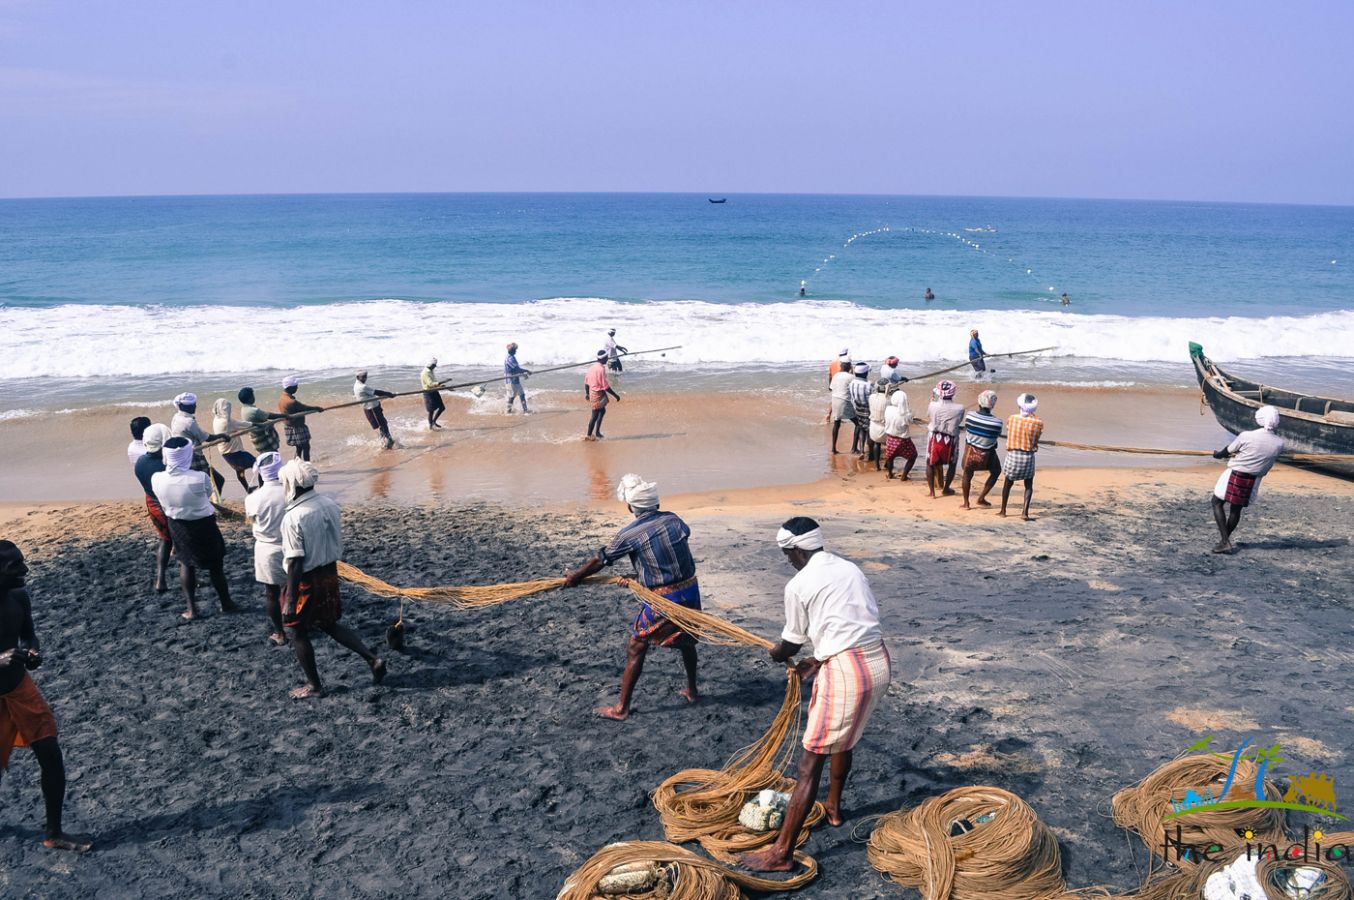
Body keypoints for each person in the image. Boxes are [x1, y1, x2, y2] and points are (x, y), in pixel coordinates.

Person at [739, 518, 891, 871]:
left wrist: (777, 653)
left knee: (809, 763)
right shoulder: (849, 568)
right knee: (844, 739)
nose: (787, 561)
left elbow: (790, 641)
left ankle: (781, 854)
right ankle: (834, 808)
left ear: (795, 549)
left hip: (846, 674)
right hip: (877, 662)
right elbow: (851, 623)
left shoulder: (798, 584)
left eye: (786, 554)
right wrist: (820, 657)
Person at [563, 474, 700, 721]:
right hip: (690, 590)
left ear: (629, 507)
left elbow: (601, 559)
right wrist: (640, 575)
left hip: (665, 598)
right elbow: (670, 555)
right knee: (686, 641)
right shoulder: (675, 520)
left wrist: (576, 576)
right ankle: (692, 689)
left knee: (637, 645)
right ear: (656, 504)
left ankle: (621, 709)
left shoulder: (629, 534)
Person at [0, 542, 92, 852]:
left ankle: (54, 833)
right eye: (15, 566)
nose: (24, 570)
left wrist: (33, 650)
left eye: (22, 562)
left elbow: (28, 634)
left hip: (20, 689)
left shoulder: (18, 597)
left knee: (51, 756)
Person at [278, 460, 385, 699]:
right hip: (330, 574)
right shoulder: (329, 504)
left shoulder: (293, 517)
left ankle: (314, 686)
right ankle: (372, 659)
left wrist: (290, 601)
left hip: (307, 579)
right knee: (328, 624)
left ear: (292, 485)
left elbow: (295, 562)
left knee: (296, 632)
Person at [152, 437, 237, 620]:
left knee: (186, 563)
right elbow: (208, 494)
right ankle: (226, 603)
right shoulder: (199, 478)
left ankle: (191, 609)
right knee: (216, 566)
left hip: (177, 524)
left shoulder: (157, 478)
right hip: (204, 523)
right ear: (187, 455)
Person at [1210, 406, 1285, 555]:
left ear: (1260, 419)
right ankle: (1224, 541)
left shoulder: (1247, 436)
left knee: (1216, 502)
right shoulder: (1279, 443)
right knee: (1235, 510)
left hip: (1235, 474)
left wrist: (1217, 455)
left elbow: (1229, 450)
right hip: (1253, 479)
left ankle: (1225, 541)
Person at [245, 452, 288, 645]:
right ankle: (302, 623)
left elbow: (251, 520)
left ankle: (279, 633)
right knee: (295, 587)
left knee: (271, 592)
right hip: (293, 545)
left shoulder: (254, 498)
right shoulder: (292, 491)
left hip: (267, 549)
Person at [133, 423, 174, 593]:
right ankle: (193, 578)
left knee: (165, 541)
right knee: (183, 543)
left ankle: (160, 580)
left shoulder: (140, 463)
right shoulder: (165, 465)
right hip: (169, 508)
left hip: (153, 507)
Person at [170, 392, 227, 494]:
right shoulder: (189, 422)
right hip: (194, 457)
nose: (195, 406)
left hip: (182, 456)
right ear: (183, 406)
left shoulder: (176, 417)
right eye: (192, 405)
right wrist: (222, 436)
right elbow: (207, 438)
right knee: (218, 480)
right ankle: (211, 504)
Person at [1000, 393, 1044, 520]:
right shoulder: (1038, 422)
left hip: (1013, 455)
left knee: (1008, 483)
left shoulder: (1012, 418)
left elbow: (1009, 430)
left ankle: (1003, 511)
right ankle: (1024, 513)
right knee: (1028, 485)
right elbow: (1036, 439)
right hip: (1028, 456)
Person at [961, 390, 1002, 509]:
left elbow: (968, 429)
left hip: (970, 454)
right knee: (996, 471)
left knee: (967, 475)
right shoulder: (997, 422)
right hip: (987, 456)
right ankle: (981, 498)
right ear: (992, 405)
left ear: (979, 403)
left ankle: (966, 503)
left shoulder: (970, 415)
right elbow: (994, 438)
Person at [926, 380, 964, 497]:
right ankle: (946, 488)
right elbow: (959, 420)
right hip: (951, 439)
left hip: (934, 437)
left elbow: (929, 415)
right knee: (952, 464)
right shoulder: (960, 408)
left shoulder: (932, 405)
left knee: (930, 464)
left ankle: (932, 492)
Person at [211, 398, 256, 494]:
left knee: (239, 470)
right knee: (257, 465)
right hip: (235, 452)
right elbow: (245, 425)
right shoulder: (227, 422)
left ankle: (248, 489)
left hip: (225, 452)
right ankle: (264, 485)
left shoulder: (216, 419)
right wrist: (257, 424)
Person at [278, 377, 324, 461]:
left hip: (289, 426)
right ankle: (307, 466)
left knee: (299, 448)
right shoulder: (291, 402)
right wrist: (317, 408)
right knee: (306, 447)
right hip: (297, 427)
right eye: (295, 386)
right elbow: (305, 408)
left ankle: (297, 465)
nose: (297, 388)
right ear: (290, 388)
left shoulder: (282, 398)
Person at [353, 370, 396, 449]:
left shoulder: (356, 385)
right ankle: (387, 441)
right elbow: (376, 392)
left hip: (373, 406)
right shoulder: (362, 387)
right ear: (357, 377)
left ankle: (386, 441)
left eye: (365, 376)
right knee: (382, 424)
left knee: (382, 424)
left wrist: (387, 395)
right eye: (363, 377)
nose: (365, 378)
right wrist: (388, 394)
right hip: (371, 408)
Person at [882, 385, 917, 480]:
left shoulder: (888, 409)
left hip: (890, 438)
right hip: (903, 440)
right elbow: (910, 421)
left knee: (890, 457)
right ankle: (904, 476)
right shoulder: (906, 414)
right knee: (913, 456)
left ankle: (890, 474)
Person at [584, 350, 621, 441]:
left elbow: (586, 382)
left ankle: (597, 432)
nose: (607, 359)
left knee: (602, 411)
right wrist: (615, 395)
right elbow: (605, 386)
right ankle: (588, 435)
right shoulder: (601, 369)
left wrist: (587, 393)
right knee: (595, 415)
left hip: (595, 392)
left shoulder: (591, 367)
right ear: (603, 358)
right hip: (597, 394)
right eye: (606, 357)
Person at [238, 387, 284, 455]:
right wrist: (284, 415)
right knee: (273, 456)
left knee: (265, 456)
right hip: (264, 439)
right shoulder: (254, 411)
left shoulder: (243, 409)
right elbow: (269, 415)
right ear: (250, 398)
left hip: (255, 438)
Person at [828, 361, 855, 454]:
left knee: (836, 423)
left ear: (841, 367)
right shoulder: (851, 377)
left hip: (835, 401)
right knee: (859, 424)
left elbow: (831, 388)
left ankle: (833, 449)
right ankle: (854, 449)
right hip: (845, 402)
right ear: (849, 368)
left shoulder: (836, 376)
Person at [848, 363, 873, 457]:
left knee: (862, 429)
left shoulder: (852, 383)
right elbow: (872, 399)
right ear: (865, 373)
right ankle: (870, 454)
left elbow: (852, 398)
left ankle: (862, 451)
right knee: (869, 431)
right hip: (868, 411)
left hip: (857, 410)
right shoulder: (868, 385)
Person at [867, 379, 889, 469]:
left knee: (877, 443)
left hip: (873, 426)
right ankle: (887, 463)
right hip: (885, 427)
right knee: (889, 444)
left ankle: (877, 466)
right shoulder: (889, 400)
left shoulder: (871, 397)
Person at [504, 343, 531, 414]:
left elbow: (516, 370)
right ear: (512, 351)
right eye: (515, 350)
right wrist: (526, 371)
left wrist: (523, 374)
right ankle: (508, 412)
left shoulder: (512, 357)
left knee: (522, 395)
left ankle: (525, 411)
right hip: (510, 381)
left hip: (515, 380)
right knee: (511, 397)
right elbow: (517, 369)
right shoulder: (509, 359)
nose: (516, 351)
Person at [421, 358, 445, 430]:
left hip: (434, 390)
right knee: (431, 411)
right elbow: (430, 384)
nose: (435, 366)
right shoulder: (425, 373)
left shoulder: (431, 371)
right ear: (430, 365)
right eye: (434, 365)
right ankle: (431, 425)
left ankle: (434, 421)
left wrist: (439, 385)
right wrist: (439, 383)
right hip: (428, 392)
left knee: (442, 407)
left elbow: (434, 381)